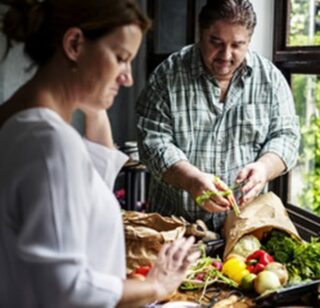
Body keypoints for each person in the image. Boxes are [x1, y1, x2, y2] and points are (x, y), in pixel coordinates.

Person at [0, 1, 200, 307]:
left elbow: (90, 185)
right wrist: (155, 287)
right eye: (121, 59)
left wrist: (95, 106)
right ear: (75, 44)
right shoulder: (50, 143)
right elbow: (66, 290)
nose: (128, 78)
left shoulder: (20, 121)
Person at [136, 0, 300, 232]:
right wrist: (192, 180)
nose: (226, 54)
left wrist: (264, 168)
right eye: (216, 42)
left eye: (237, 45)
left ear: (249, 41)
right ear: (200, 34)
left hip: (247, 229)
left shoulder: (270, 80)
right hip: (175, 228)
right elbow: (152, 142)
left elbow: (287, 136)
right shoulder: (167, 75)